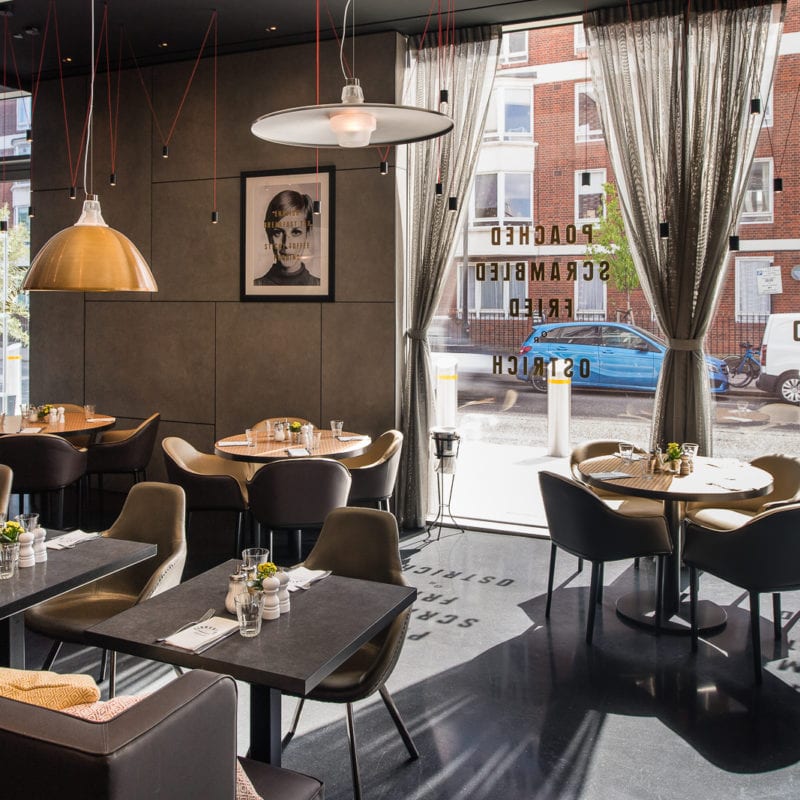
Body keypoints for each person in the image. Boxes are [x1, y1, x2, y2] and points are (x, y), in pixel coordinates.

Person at [254, 190, 320, 286]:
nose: (287, 244)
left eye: (296, 232)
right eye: (278, 232)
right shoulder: (255, 286)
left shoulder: (319, 285)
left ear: (307, 234)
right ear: (269, 236)